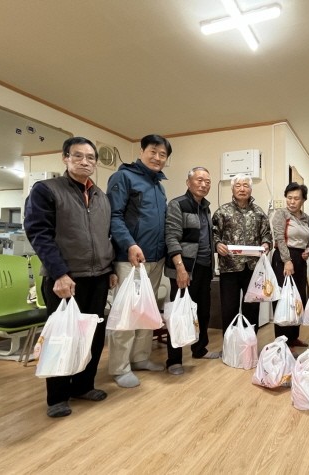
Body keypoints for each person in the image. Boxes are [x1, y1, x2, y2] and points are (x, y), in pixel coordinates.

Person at [24, 137, 116, 418]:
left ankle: (84, 386)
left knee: (93, 335)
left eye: (90, 157)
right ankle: (58, 396)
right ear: (65, 158)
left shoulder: (101, 196)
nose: (85, 161)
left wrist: (111, 269)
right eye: (78, 156)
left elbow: (105, 236)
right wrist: (59, 273)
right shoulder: (46, 190)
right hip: (65, 278)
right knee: (63, 336)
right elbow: (39, 234)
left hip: (98, 276)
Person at [107, 134, 171, 388]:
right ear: (141, 151)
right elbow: (114, 216)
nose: (157, 158)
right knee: (127, 312)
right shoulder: (123, 177)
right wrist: (129, 244)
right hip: (130, 258)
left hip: (155, 258)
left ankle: (140, 357)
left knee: (147, 311)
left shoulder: (158, 185)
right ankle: (120, 367)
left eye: (163, 154)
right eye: (153, 151)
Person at [164, 167, 219, 375]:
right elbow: (171, 237)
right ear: (188, 183)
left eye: (207, 181)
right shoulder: (177, 204)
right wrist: (180, 268)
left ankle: (199, 349)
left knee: (203, 311)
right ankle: (174, 359)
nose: (204, 184)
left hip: (204, 267)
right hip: (185, 268)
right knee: (179, 313)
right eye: (199, 180)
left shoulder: (206, 208)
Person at [213, 174, 272, 334]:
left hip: (253, 268)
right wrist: (217, 244)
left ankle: (250, 343)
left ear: (251, 189)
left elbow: (267, 234)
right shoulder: (222, 212)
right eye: (238, 185)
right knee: (229, 308)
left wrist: (266, 243)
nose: (242, 189)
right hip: (229, 267)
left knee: (252, 308)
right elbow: (213, 234)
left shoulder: (259, 212)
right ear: (232, 189)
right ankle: (230, 343)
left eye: (246, 185)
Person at [271, 182, 309, 348]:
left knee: (298, 298)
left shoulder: (306, 217)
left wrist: (308, 250)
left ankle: (293, 337)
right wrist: (287, 260)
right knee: (284, 299)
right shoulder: (281, 214)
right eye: (289, 198)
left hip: (300, 260)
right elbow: (280, 238)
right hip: (283, 258)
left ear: (303, 200)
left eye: (296, 198)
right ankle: (282, 340)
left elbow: (308, 240)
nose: (292, 202)